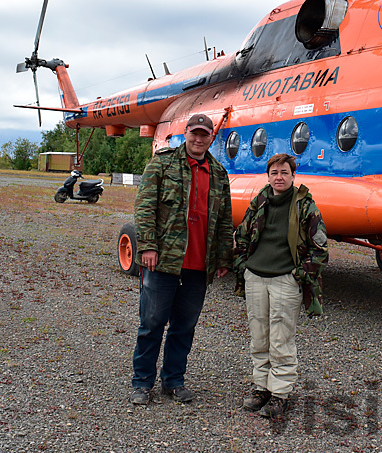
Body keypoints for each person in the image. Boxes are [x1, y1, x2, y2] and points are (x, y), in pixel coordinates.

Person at [130, 113, 233, 405]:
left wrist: (224, 257)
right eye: (194, 133)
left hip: (198, 266)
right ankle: (142, 382)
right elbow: (145, 207)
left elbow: (225, 220)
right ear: (185, 133)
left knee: (184, 328)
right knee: (151, 323)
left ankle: (173, 380)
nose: (199, 139)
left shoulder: (218, 173)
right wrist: (147, 246)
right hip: (163, 262)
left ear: (211, 138)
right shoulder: (162, 164)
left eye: (205, 134)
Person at [234, 153, 328, 419]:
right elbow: (241, 234)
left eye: (284, 172)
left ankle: (280, 394)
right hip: (256, 277)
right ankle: (261, 387)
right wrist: (243, 265)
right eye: (274, 172)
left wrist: (300, 273)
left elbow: (320, 248)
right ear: (268, 176)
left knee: (281, 337)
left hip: (285, 279)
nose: (279, 177)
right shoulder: (259, 202)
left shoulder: (306, 206)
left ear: (293, 175)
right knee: (259, 335)